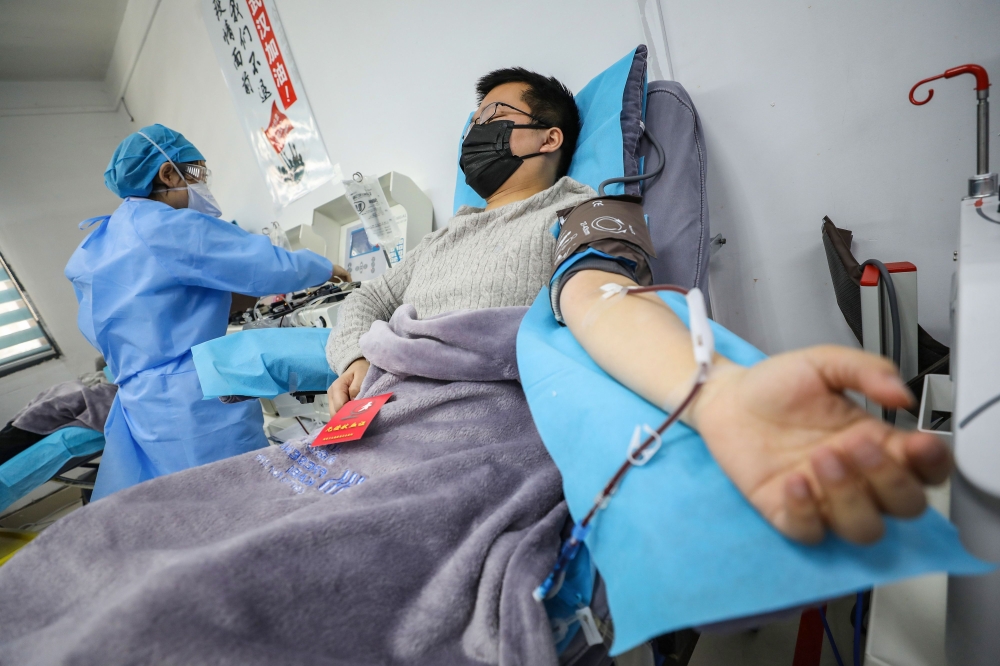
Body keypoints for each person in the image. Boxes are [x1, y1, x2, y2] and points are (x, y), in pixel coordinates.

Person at [328, 68, 952, 546]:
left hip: (464, 438)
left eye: (493, 114)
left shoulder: (584, 210)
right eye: (473, 120)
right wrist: (353, 354)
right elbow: (367, 299)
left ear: (548, 137)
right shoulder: (442, 237)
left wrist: (715, 390)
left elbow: (600, 294)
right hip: (376, 417)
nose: (474, 132)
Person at [66, 124, 347, 500]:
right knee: (241, 494)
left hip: (144, 402)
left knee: (191, 502)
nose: (201, 184)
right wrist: (323, 268)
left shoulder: (98, 242)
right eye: (195, 172)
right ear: (168, 173)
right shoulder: (164, 226)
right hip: (193, 395)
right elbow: (260, 263)